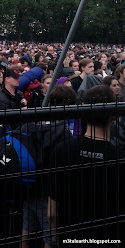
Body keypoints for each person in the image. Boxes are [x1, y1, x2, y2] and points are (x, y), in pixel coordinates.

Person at [47, 85, 125, 246]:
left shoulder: (62, 151)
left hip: (70, 237)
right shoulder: (119, 159)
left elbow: (51, 213)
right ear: (113, 117)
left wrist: (58, 239)